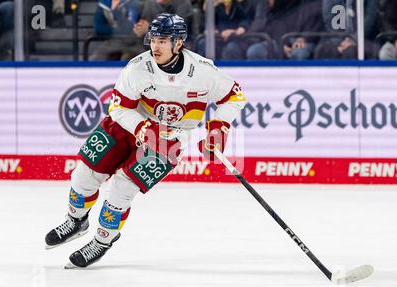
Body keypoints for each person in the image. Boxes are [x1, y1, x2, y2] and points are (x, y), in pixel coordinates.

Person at [45, 13, 247, 268]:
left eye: (163, 40)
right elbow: (118, 109)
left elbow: (235, 97)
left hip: (168, 139)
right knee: (85, 173)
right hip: (129, 125)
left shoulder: (203, 71)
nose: (156, 46)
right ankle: (76, 221)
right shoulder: (137, 67)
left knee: (122, 189)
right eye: (153, 39)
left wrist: (218, 127)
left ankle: (103, 240)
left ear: (179, 42)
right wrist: (141, 126)